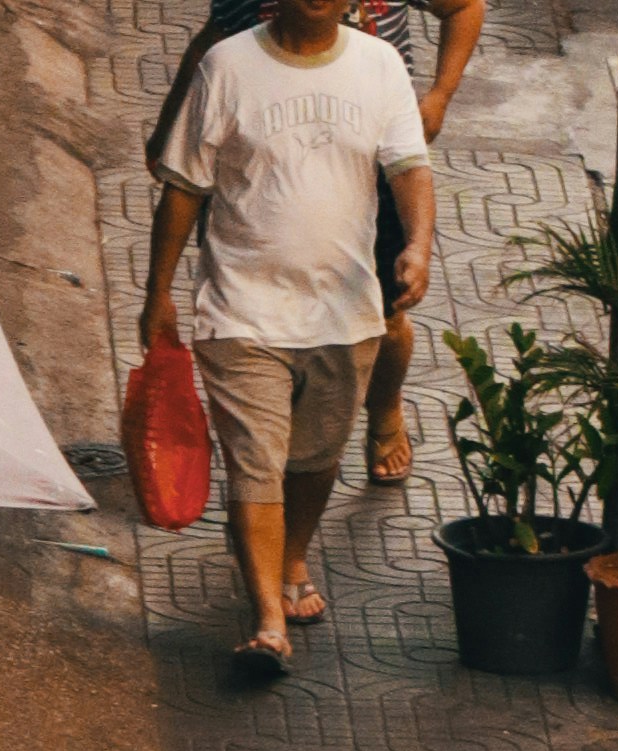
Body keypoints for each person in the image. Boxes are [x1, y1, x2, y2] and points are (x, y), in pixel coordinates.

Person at [140, 0, 439, 684]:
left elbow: (408, 168)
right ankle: (268, 621)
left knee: (315, 461)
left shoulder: (380, 65)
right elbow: (183, 189)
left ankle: (292, 554)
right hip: (242, 309)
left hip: (344, 310)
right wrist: (158, 294)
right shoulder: (227, 65)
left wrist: (418, 247)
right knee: (257, 462)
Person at [155, 0, 488, 491]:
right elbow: (214, 35)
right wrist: (171, 124)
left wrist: (439, 95)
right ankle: (268, 437)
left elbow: (464, 7)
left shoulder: (378, 64)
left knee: (385, 310)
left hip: (365, 162)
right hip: (261, 158)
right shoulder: (233, 57)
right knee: (255, 295)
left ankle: (385, 409)